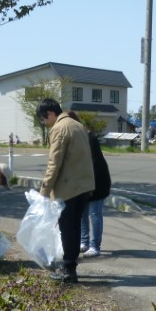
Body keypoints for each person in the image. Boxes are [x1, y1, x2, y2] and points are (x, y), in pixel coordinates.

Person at [36, 98, 94, 283]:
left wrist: (44, 192)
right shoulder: (77, 125)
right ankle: (71, 266)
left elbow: (54, 163)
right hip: (84, 185)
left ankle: (68, 270)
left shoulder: (60, 128)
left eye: (44, 119)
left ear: (50, 113)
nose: (45, 123)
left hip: (69, 187)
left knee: (67, 229)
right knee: (75, 227)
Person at [65, 111, 111, 258]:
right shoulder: (74, 138)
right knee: (82, 213)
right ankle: (84, 242)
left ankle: (95, 246)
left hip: (97, 182)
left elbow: (93, 164)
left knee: (94, 214)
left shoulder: (88, 137)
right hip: (84, 182)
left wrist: (89, 186)